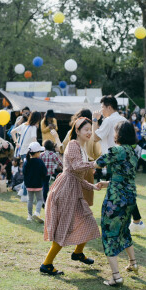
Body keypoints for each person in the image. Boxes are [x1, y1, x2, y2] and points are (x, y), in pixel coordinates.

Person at [41, 117, 107, 276]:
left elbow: (78, 176)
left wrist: (93, 186)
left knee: (89, 221)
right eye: (86, 129)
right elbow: (76, 167)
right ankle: (47, 264)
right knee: (64, 228)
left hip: (74, 189)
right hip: (65, 191)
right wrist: (95, 164)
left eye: (90, 129)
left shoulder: (82, 148)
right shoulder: (72, 145)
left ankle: (78, 253)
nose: (89, 132)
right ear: (77, 131)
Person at [95, 121, 139, 287]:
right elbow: (123, 177)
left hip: (116, 200)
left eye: (115, 132)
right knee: (123, 230)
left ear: (119, 134)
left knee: (109, 234)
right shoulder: (133, 153)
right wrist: (106, 183)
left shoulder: (117, 150)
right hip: (130, 198)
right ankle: (133, 263)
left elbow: (98, 162)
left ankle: (116, 276)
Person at [23, 142, 47, 222]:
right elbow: (44, 172)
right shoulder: (40, 162)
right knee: (40, 200)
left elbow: (24, 172)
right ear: (37, 153)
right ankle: (37, 212)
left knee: (30, 200)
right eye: (39, 152)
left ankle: (29, 216)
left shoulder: (26, 162)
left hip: (29, 184)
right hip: (38, 184)